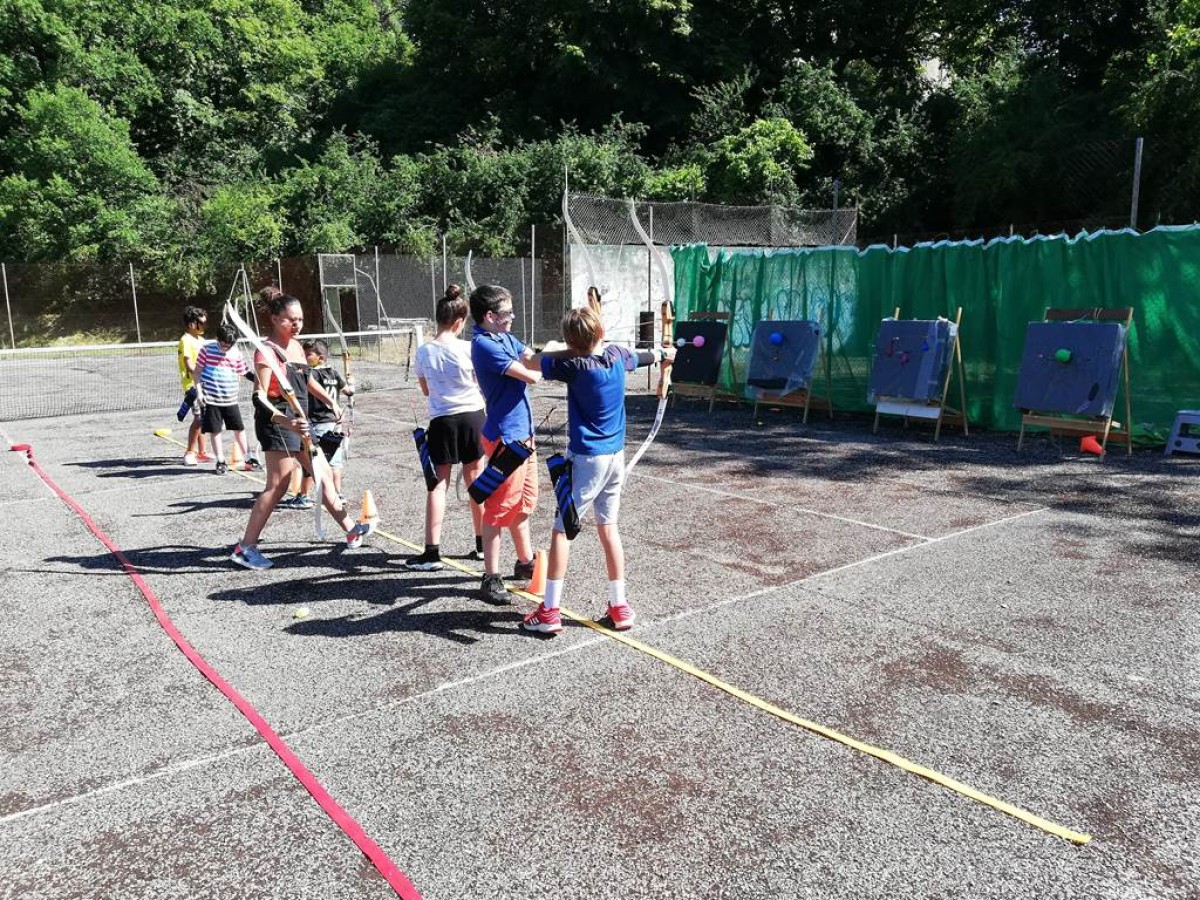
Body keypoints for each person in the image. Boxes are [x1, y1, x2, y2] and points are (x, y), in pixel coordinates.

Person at [522, 305, 674, 635]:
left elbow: (530, 361)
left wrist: (559, 348)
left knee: (563, 530)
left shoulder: (573, 365)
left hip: (588, 459)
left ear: (570, 342)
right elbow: (646, 356)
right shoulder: (617, 355)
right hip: (615, 458)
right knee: (608, 528)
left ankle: (549, 611)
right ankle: (619, 606)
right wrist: (666, 353)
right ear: (601, 333)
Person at [230, 292, 374, 570]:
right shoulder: (266, 351)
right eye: (290, 320)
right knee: (278, 485)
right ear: (275, 319)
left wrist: (331, 401)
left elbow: (306, 381)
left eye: (300, 319)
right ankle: (245, 547)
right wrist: (287, 422)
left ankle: (351, 530)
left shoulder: (297, 347)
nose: (297, 325)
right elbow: (259, 396)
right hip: (277, 423)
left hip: (301, 421)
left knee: (323, 474)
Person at [469, 284, 542, 604]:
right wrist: (552, 359)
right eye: (507, 313)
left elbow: (533, 358)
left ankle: (525, 562)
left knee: (523, 503)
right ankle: (491, 576)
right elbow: (531, 374)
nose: (512, 317)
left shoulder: (504, 337)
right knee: (499, 508)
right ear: (490, 316)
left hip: (523, 433)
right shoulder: (484, 344)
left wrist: (566, 350)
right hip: (505, 437)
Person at [406, 285, 486, 571]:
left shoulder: (424, 352)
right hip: (473, 417)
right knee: (476, 481)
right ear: (459, 321)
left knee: (437, 484)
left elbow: (426, 390)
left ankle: (431, 552)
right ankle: (483, 546)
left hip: (442, 420)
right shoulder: (469, 348)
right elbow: (480, 382)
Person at [195, 323, 260, 474]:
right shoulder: (206, 350)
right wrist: (199, 393)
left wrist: (261, 381)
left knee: (239, 429)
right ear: (217, 339)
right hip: (211, 399)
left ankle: (248, 459)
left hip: (231, 399)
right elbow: (197, 372)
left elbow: (245, 372)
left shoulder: (236, 353)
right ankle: (220, 461)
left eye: (228, 345)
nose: (225, 348)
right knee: (215, 430)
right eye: (222, 344)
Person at [300, 339, 354, 503]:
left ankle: (304, 496)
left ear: (321, 358)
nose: (304, 357)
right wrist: (351, 384)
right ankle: (337, 494)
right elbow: (348, 391)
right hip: (333, 422)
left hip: (318, 423)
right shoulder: (334, 373)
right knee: (334, 461)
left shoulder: (311, 374)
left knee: (311, 461)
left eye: (308, 355)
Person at [178, 306, 210, 465]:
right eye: (201, 323)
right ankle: (189, 452)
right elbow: (189, 364)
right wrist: (204, 372)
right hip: (193, 386)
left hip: (205, 384)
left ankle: (202, 452)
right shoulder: (186, 340)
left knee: (204, 418)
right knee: (198, 418)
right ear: (191, 324)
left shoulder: (202, 341)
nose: (204, 326)